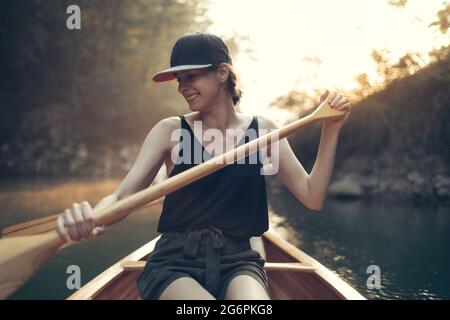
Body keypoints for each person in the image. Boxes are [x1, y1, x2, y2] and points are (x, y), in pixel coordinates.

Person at [56, 32, 352, 300]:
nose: (182, 87)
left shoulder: (265, 131)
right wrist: (93, 216)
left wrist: (331, 128)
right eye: (179, 80)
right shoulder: (169, 131)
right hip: (174, 261)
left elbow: (312, 196)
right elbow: (122, 198)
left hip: (240, 260)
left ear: (222, 72)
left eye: (191, 77)